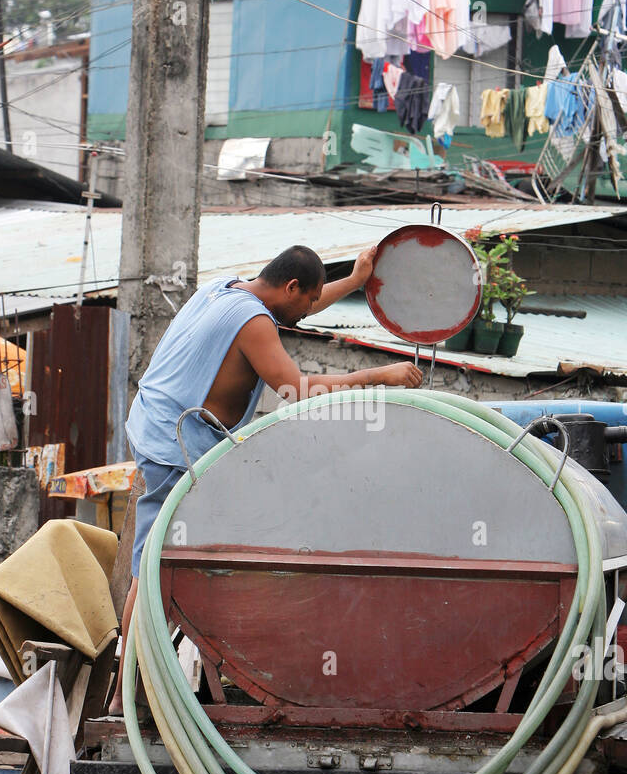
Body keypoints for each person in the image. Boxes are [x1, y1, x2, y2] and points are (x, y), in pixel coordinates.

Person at [111, 243, 422, 712]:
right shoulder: (254, 322)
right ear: (291, 287)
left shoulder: (224, 289)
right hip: (176, 448)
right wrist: (379, 375)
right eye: (308, 300)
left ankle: (144, 688)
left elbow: (299, 306)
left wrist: (356, 282)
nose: (309, 311)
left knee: (164, 565)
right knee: (149, 574)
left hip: (157, 429)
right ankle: (124, 698)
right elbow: (295, 390)